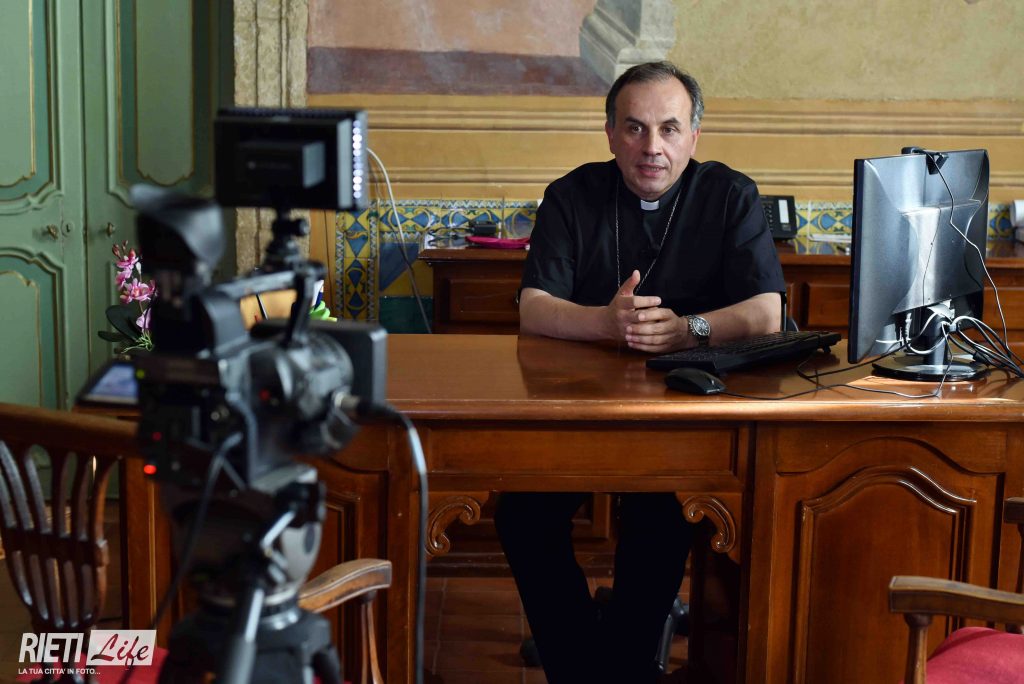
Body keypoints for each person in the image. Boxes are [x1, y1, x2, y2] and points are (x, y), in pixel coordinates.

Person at [494, 61, 786, 683]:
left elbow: (767, 313)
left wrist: (687, 329)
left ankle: (624, 664)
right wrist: (605, 323)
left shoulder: (730, 195)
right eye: (634, 128)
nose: (652, 146)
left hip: (685, 413)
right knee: (523, 516)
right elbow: (533, 308)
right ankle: (581, 665)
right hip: (579, 407)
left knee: (663, 515)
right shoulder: (571, 195)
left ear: (694, 135)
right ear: (610, 133)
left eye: (669, 128)